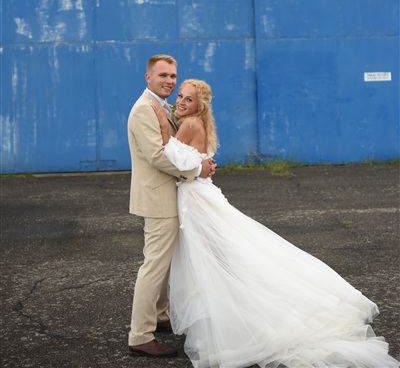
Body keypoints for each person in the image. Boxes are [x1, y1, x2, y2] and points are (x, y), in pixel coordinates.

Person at [151, 78, 400, 368]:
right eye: (180, 96)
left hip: (195, 199)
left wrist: (162, 126)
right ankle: (231, 313)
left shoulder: (190, 123)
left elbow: (170, 158)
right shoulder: (196, 122)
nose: (181, 102)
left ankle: (239, 318)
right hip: (199, 194)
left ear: (199, 105)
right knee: (219, 257)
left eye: (188, 99)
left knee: (211, 260)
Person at [127, 55, 216, 358]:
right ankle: (140, 335)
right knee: (154, 266)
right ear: (148, 77)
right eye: (162, 75)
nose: (169, 81)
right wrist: (197, 170)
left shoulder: (164, 106)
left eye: (172, 76)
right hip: (158, 198)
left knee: (164, 265)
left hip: (171, 195)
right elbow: (157, 156)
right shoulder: (144, 109)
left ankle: (160, 315)